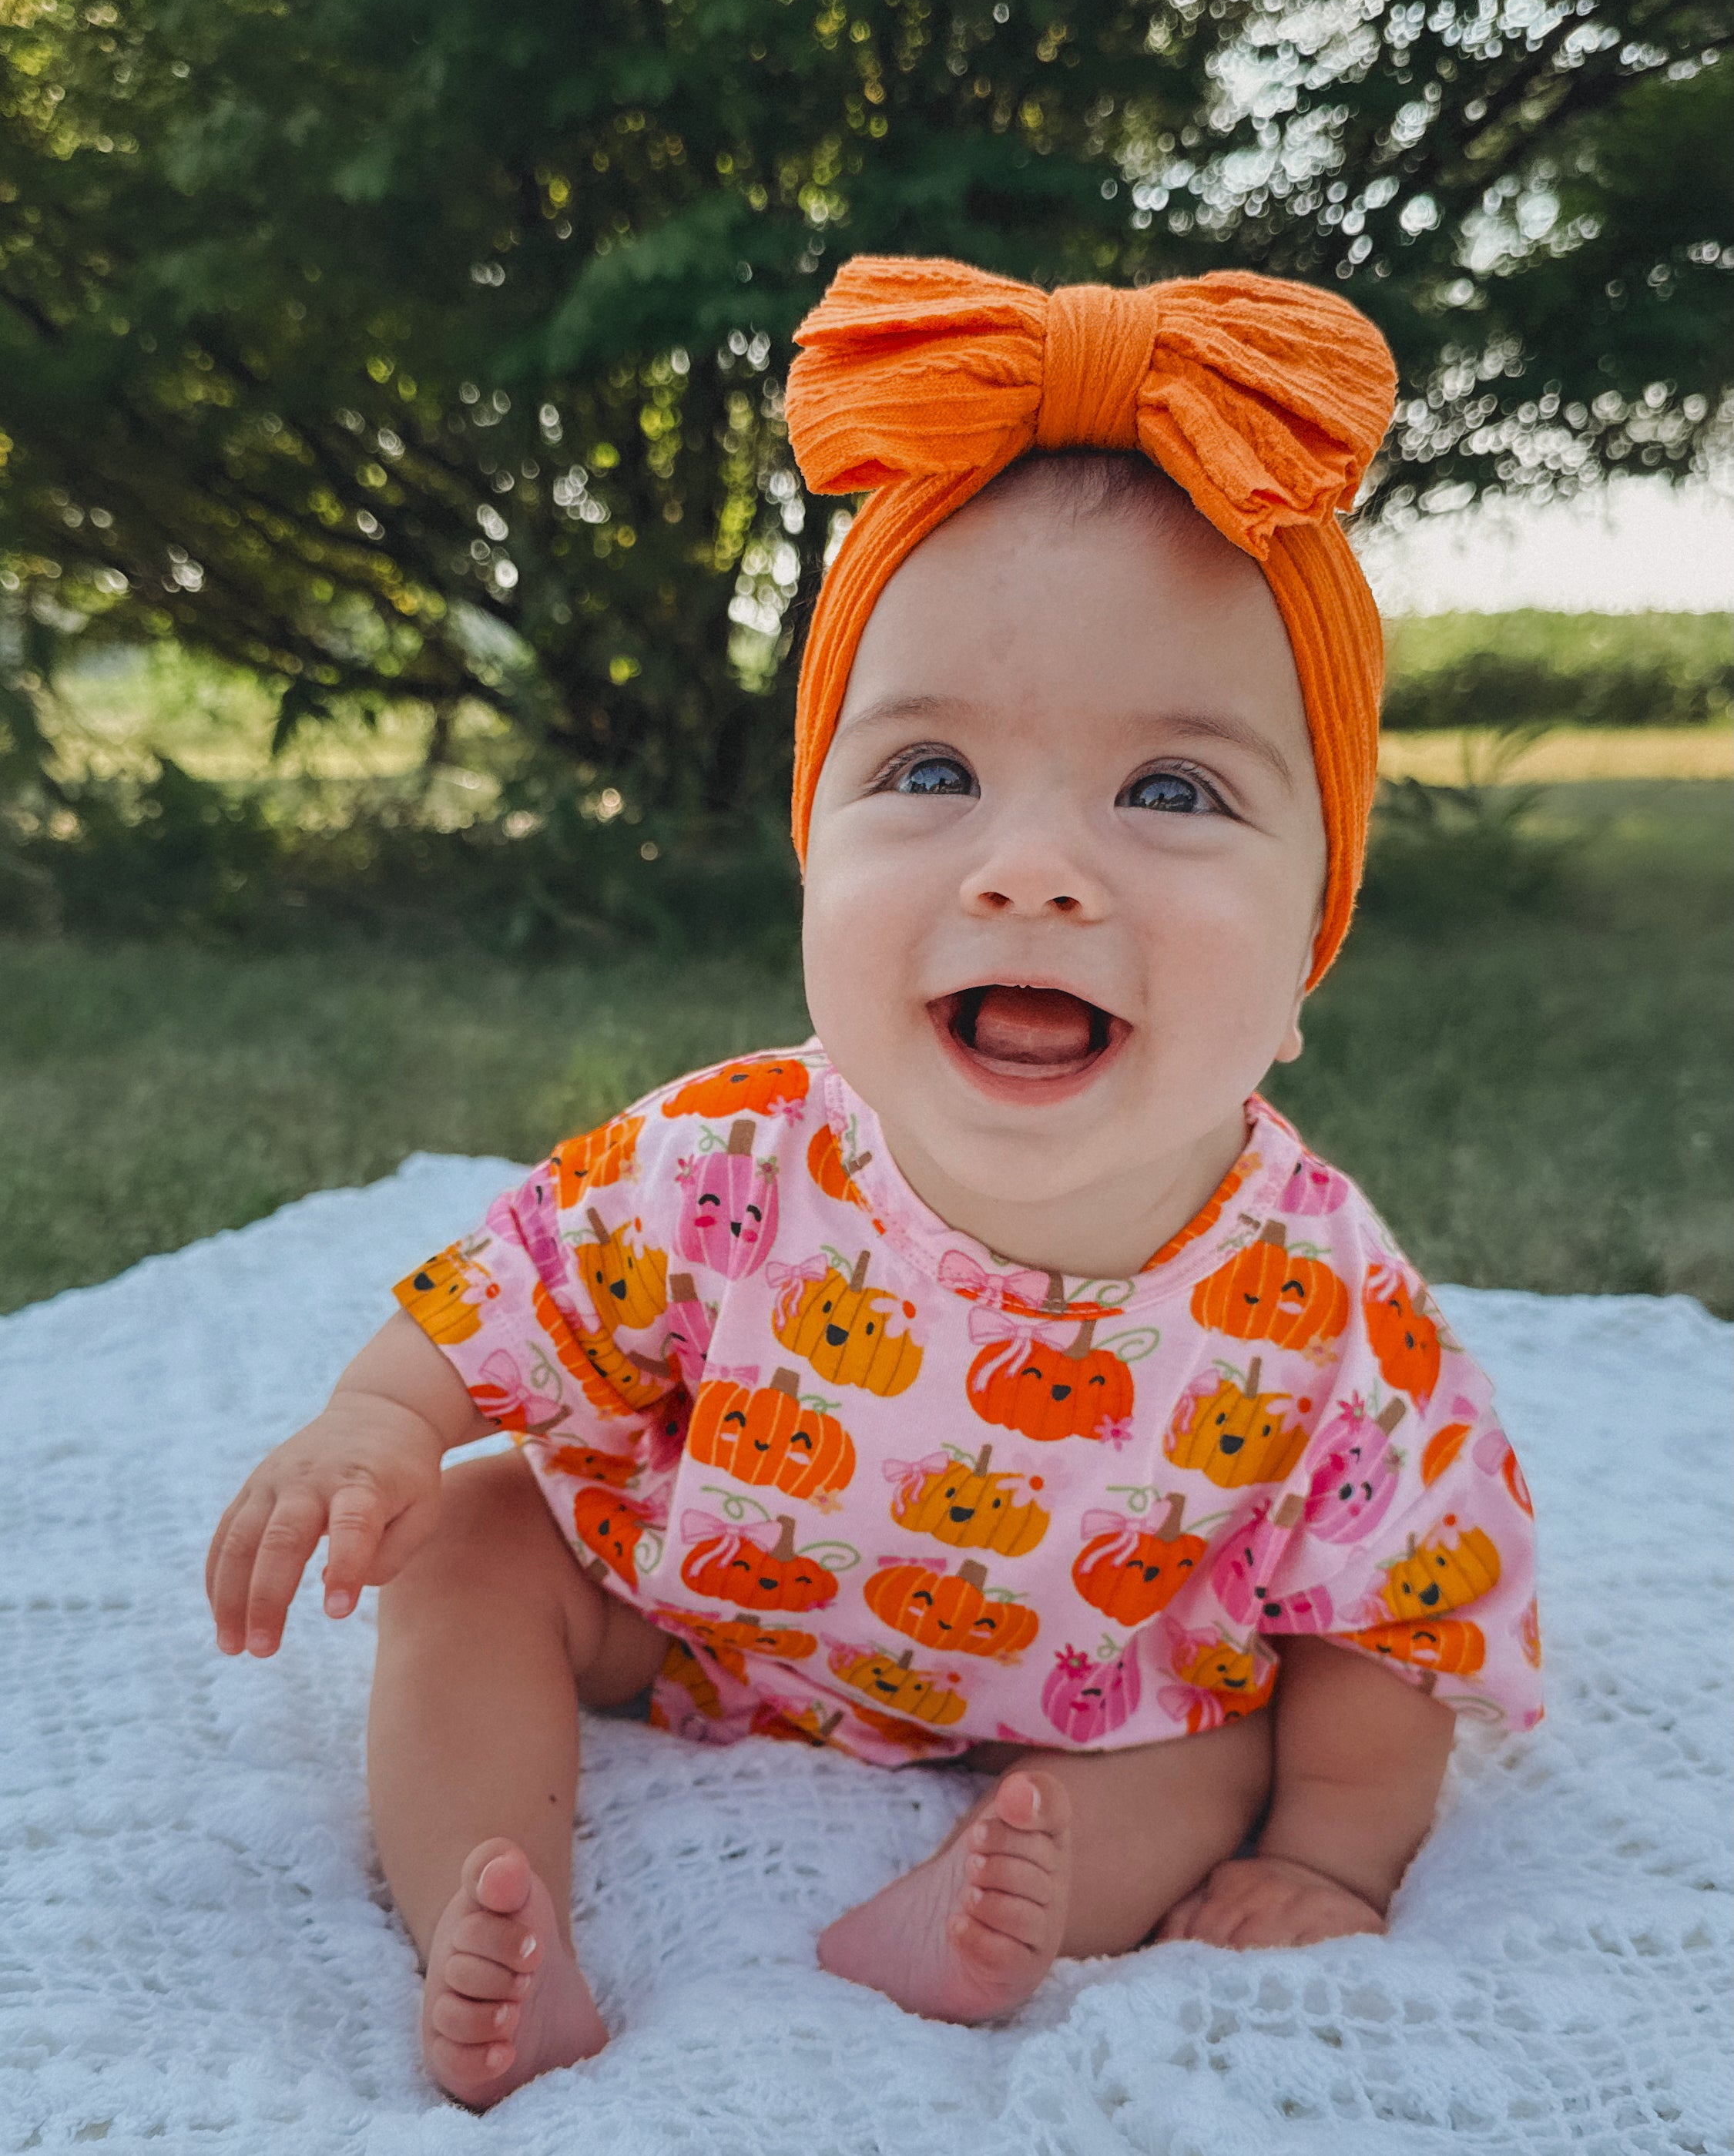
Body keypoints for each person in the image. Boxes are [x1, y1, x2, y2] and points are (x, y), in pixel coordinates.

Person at [205, 259, 1541, 2109]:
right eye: (929, 768)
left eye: (1169, 792)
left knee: (1239, 1746)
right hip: (702, 1609)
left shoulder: (1323, 1299)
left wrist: (1327, 1852)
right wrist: (372, 1419)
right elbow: (514, 1290)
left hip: (1094, 1691)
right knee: (476, 1531)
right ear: (812, 861)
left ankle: (984, 1919)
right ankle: (489, 1918)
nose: (1033, 870)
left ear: (1311, 949)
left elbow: (1397, 1611)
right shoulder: (733, 1159)